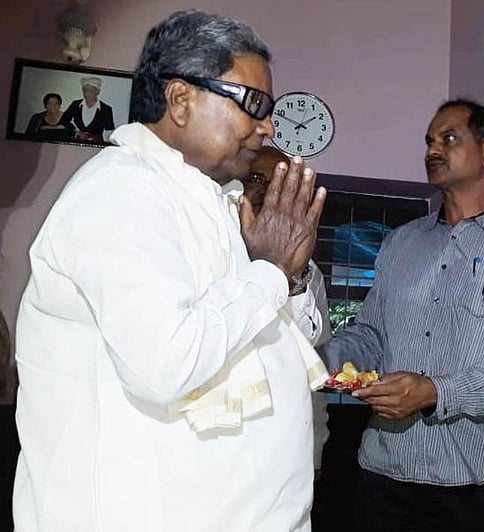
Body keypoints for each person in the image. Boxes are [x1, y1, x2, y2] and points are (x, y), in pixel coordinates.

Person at [14, 10, 328, 532]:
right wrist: (270, 270)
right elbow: (168, 363)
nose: (268, 126)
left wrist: (287, 275)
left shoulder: (217, 200)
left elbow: (294, 338)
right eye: (254, 104)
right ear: (181, 100)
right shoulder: (119, 191)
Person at [324, 99, 484, 531]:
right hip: (383, 469)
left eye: (449, 138)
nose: (433, 149)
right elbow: (372, 333)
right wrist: (321, 357)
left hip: (473, 482)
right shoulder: (401, 242)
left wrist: (438, 391)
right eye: (430, 141)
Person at [225, 145, 331, 474]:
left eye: (283, 186)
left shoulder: (307, 268)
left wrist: (291, 275)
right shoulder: (217, 252)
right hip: (227, 448)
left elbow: (307, 346)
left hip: (290, 450)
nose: (271, 193)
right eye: (257, 178)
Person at [59, 76, 115, 143]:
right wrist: (76, 132)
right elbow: (64, 121)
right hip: (77, 142)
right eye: (85, 91)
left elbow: (109, 130)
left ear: (97, 91)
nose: (87, 94)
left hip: (96, 143)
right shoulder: (76, 105)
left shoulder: (106, 109)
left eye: (90, 91)